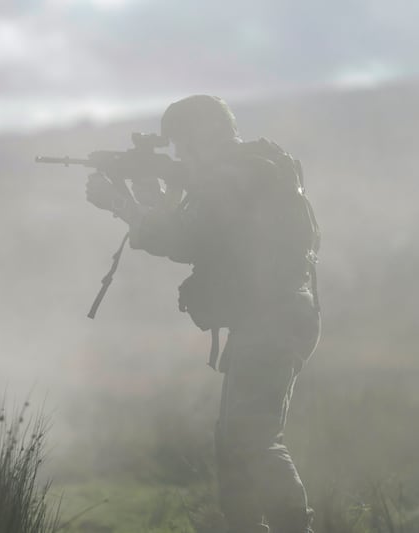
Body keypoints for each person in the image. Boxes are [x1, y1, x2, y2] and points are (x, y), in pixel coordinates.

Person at [85, 95, 321, 533]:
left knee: (252, 439)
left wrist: (119, 203)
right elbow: (193, 229)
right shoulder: (250, 169)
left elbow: (183, 239)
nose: (178, 155)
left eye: (181, 145)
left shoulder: (233, 177)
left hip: (271, 319)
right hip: (270, 317)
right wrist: (151, 190)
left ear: (202, 137)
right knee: (232, 442)